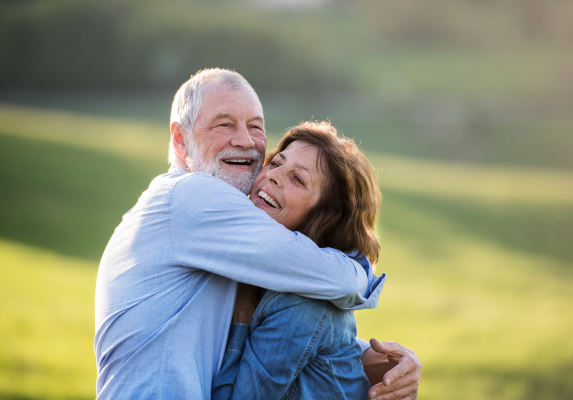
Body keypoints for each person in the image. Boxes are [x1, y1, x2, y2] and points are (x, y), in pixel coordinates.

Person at [94, 68, 420, 399]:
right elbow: (335, 284)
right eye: (224, 124)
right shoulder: (190, 197)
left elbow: (294, 327)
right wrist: (360, 271)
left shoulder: (231, 242)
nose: (246, 141)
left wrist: (366, 357)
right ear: (180, 139)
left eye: (256, 127)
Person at [212, 121, 384, 399]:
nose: (275, 176)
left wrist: (241, 318)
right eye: (276, 163)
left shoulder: (301, 306)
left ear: (324, 218)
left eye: (298, 179)